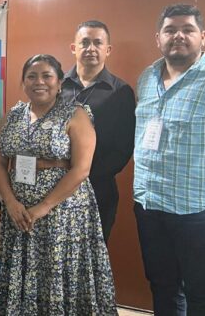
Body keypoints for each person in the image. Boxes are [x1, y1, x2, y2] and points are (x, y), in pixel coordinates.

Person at [0, 54, 116, 315]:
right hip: (19, 212)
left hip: (63, 212)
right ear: (23, 82)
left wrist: (44, 207)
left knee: (57, 271)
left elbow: (81, 169)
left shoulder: (76, 114)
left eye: (47, 76)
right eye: (31, 76)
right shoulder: (12, 115)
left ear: (60, 83)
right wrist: (10, 202)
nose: (39, 82)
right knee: (24, 269)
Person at [133, 4, 205, 315]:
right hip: (150, 203)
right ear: (158, 38)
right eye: (170, 30)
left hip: (200, 210)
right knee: (162, 285)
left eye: (187, 29)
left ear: (203, 36)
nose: (178, 35)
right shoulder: (147, 77)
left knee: (202, 293)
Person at [61, 20, 135, 243]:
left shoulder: (121, 92)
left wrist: (82, 176)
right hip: (55, 189)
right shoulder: (57, 87)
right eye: (84, 42)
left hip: (98, 191)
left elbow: (123, 149)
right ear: (73, 48)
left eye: (97, 43)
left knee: (94, 256)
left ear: (108, 49)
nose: (90, 48)